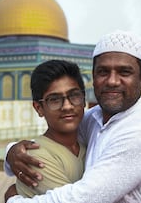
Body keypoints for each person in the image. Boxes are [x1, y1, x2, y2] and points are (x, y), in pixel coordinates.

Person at [4, 30, 141, 203]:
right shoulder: (95, 119)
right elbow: (60, 133)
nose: (111, 81)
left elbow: (82, 199)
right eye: (103, 72)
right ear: (93, 77)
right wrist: (11, 152)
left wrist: (14, 201)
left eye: (124, 72)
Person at [14, 59, 87, 197]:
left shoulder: (89, 145)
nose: (67, 106)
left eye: (74, 96)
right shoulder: (36, 157)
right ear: (39, 108)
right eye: (54, 99)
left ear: (83, 99)